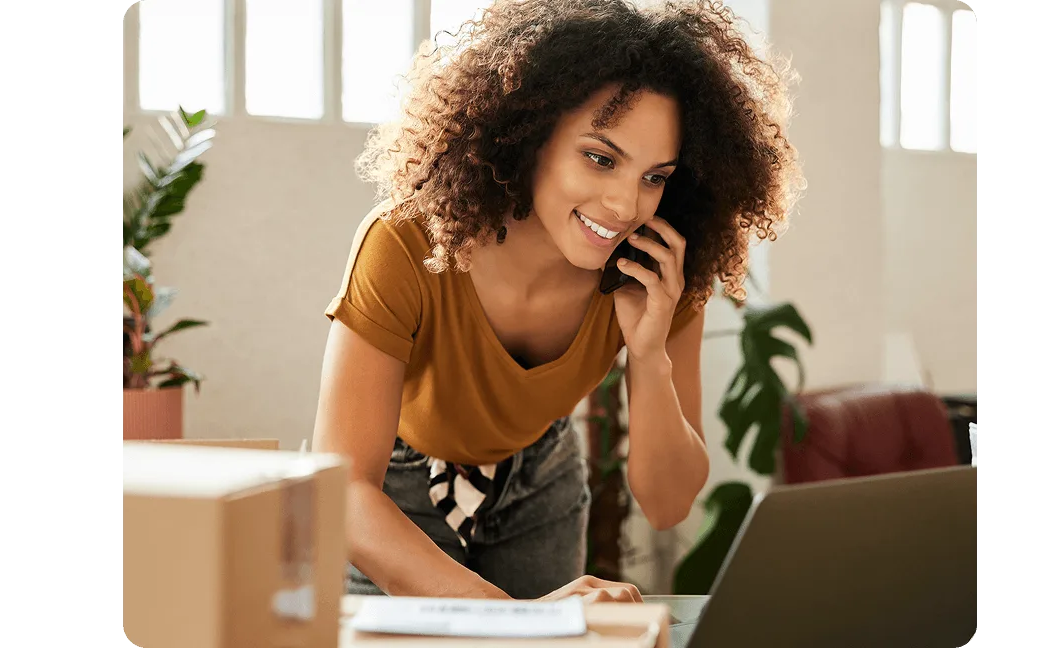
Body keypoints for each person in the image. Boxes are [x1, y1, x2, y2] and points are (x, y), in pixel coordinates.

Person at [311, 0, 803, 603]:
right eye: (601, 159)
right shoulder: (409, 243)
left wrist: (648, 354)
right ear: (528, 133)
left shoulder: (658, 274)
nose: (626, 205)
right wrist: (518, 621)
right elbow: (346, 490)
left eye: (655, 176)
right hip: (391, 493)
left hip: (539, 477)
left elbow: (668, 504)